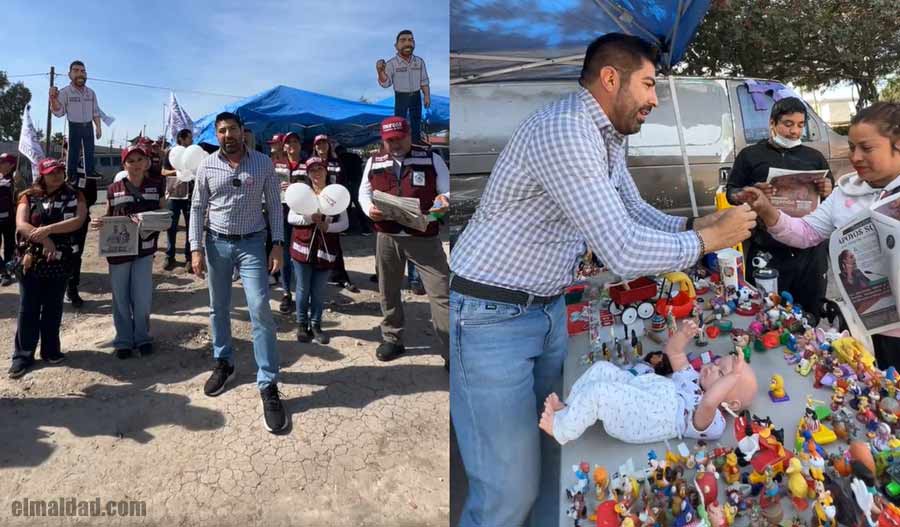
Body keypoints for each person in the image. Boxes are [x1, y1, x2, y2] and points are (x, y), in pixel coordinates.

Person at [448, 33, 756, 526]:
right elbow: (621, 249)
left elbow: (633, 211)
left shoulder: (605, 136)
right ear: (611, 79)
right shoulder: (567, 131)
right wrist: (708, 241)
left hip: (544, 308)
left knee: (555, 449)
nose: (656, 99)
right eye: (649, 84)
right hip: (492, 316)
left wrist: (697, 224)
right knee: (506, 491)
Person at [740, 101, 900, 370]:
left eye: (867, 148)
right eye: (851, 147)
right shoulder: (845, 193)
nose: (855, 157)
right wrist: (767, 210)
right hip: (865, 327)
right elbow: (806, 233)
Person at [189, 112, 288, 433]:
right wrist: (195, 248)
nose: (227, 135)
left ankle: (268, 382)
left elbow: (275, 205)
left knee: (259, 308)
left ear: (243, 132)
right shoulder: (207, 165)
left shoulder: (262, 163)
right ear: (216, 135)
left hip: (252, 244)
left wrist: (277, 244)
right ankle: (224, 362)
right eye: (222, 131)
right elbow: (197, 208)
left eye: (232, 129)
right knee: (218, 308)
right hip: (217, 244)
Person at [539, 321, 757, 444]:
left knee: (599, 392)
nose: (711, 367)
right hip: (643, 390)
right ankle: (568, 408)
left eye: (721, 374)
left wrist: (734, 376)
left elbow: (709, 401)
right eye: (717, 363)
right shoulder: (692, 377)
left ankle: (563, 430)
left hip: (645, 416)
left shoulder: (714, 420)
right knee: (602, 368)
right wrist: (683, 334)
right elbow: (674, 352)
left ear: (732, 403)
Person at [726, 97, 833, 317]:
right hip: (768, 247)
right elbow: (731, 193)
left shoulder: (814, 157)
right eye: (788, 124)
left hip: (810, 252)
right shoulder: (750, 155)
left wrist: (828, 189)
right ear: (772, 123)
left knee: (809, 313)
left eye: (801, 125)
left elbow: (831, 198)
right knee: (768, 311)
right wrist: (748, 193)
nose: (795, 131)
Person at [359, 116, 450, 364]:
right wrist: (369, 209)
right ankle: (392, 338)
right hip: (388, 236)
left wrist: (442, 203)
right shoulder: (374, 161)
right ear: (383, 141)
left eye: (399, 139)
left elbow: (446, 190)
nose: (395, 144)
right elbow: (364, 192)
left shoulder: (431, 158)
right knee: (388, 290)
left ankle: (450, 350)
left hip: (424, 236)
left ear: (409, 136)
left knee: (441, 292)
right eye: (390, 140)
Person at [8, 158, 87, 378]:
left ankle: (51, 350)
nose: (57, 175)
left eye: (60, 171)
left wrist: (49, 230)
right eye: (51, 172)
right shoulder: (28, 196)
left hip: (61, 261)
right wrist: (44, 239)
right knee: (28, 308)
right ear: (42, 174)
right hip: (31, 261)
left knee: (53, 307)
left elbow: (79, 220)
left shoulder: (75, 195)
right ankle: (22, 356)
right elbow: (22, 224)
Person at [91, 145, 165, 359]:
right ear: (124, 165)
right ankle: (123, 340)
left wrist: (153, 222)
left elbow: (164, 215)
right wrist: (100, 222)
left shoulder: (156, 186)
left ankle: (143, 338)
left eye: (139, 159)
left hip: (145, 250)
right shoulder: (113, 189)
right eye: (130, 161)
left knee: (142, 297)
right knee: (120, 297)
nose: (135, 164)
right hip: (119, 251)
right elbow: (108, 215)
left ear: (146, 162)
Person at [50, 62, 103, 308]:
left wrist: (83, 206)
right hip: (61, 220)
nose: (80, 74)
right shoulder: (58, 172)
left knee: (77, 252)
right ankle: (58, 287)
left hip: (79, 219)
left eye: (83, 71)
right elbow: (58, 111)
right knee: (61, 252)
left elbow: (91, 197)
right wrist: (53, 99)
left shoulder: (91, 93)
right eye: (76, 71)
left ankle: (73, 288)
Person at [288, 157, 349, 344]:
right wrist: (309, 219)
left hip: (325, 250)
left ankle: (316, 324)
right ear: (308, 174)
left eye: (319, 169)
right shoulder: (301, 193)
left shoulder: (336, 193)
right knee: (302, 288)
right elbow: (291, 218)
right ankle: (301, 324)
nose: (316, 173)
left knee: (319, 290)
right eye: (312, 170)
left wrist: (328, 227)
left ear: (326, 171)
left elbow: (344, 223)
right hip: (302, 248)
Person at [313, 134, 358, 293]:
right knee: (314, 241)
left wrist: (341, 202)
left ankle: (340, 276)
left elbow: (343, 183)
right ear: (315, 147)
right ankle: (315, 276)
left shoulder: (337, 163)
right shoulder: (311, 163)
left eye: (324, 143)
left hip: (333, 206)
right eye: (318, 144)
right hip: (315, 206)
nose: (321, 146)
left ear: (329, 145)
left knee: (334, 241)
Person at [377, 30, 430, 144]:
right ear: (396, 46)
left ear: (414, 43)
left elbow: (424, 81)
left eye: (410, 40)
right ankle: (400, 143)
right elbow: (386, 83)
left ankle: (416, 142)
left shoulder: (419, 61)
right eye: (403, 40)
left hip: (416, 95)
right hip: (401, 96)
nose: (407, 43)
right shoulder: (391, 64)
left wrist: (426, 96)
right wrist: (380, 71)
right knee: (399, 122)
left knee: (416, 121)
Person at [274, 132, 307, 313]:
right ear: (284, 146)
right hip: (282, 212)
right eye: (288, 142)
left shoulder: (308, 165)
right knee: (285, 255)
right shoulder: (276, 164)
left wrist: (297, 187)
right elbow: (268, 186)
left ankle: (304, 292)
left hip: (302, 213)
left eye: (295, 141)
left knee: (302, 253)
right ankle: (286, 293)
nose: (292, 145)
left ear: (300, 145)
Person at [161, 129, 194, 272]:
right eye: (190, 138)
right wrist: (178, 172)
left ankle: (189, 258)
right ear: (182, 138)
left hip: (190, 195)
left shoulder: (193, 152)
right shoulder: (171, 153)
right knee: (171, 227)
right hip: (174, 194)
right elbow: (163, 172)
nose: (192, 140)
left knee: (190, 227)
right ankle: (170, 256)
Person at [0, 152, 17, 286]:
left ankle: (6, 273)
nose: (0, 164)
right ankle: (3, 269)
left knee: (9, 247)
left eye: (2, 162)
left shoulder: (16, 180)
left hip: (10, 220)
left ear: (11, 165)